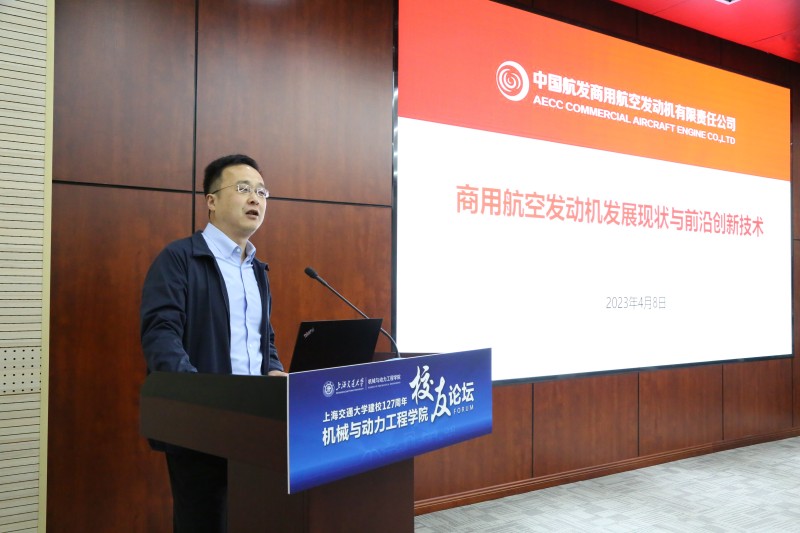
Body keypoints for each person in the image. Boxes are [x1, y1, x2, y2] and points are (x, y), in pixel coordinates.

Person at [140, 154, 286, 532]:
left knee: (253, 519)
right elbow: (161, 334)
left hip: (256, 421)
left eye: (262, 192)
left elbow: (263, 337)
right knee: (205, 523)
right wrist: (200, 397)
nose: (255, 198)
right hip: (201, 424)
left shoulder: (257, 269)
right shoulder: (180, 259)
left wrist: (273, 369)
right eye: (243, 189)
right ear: (212, 200)